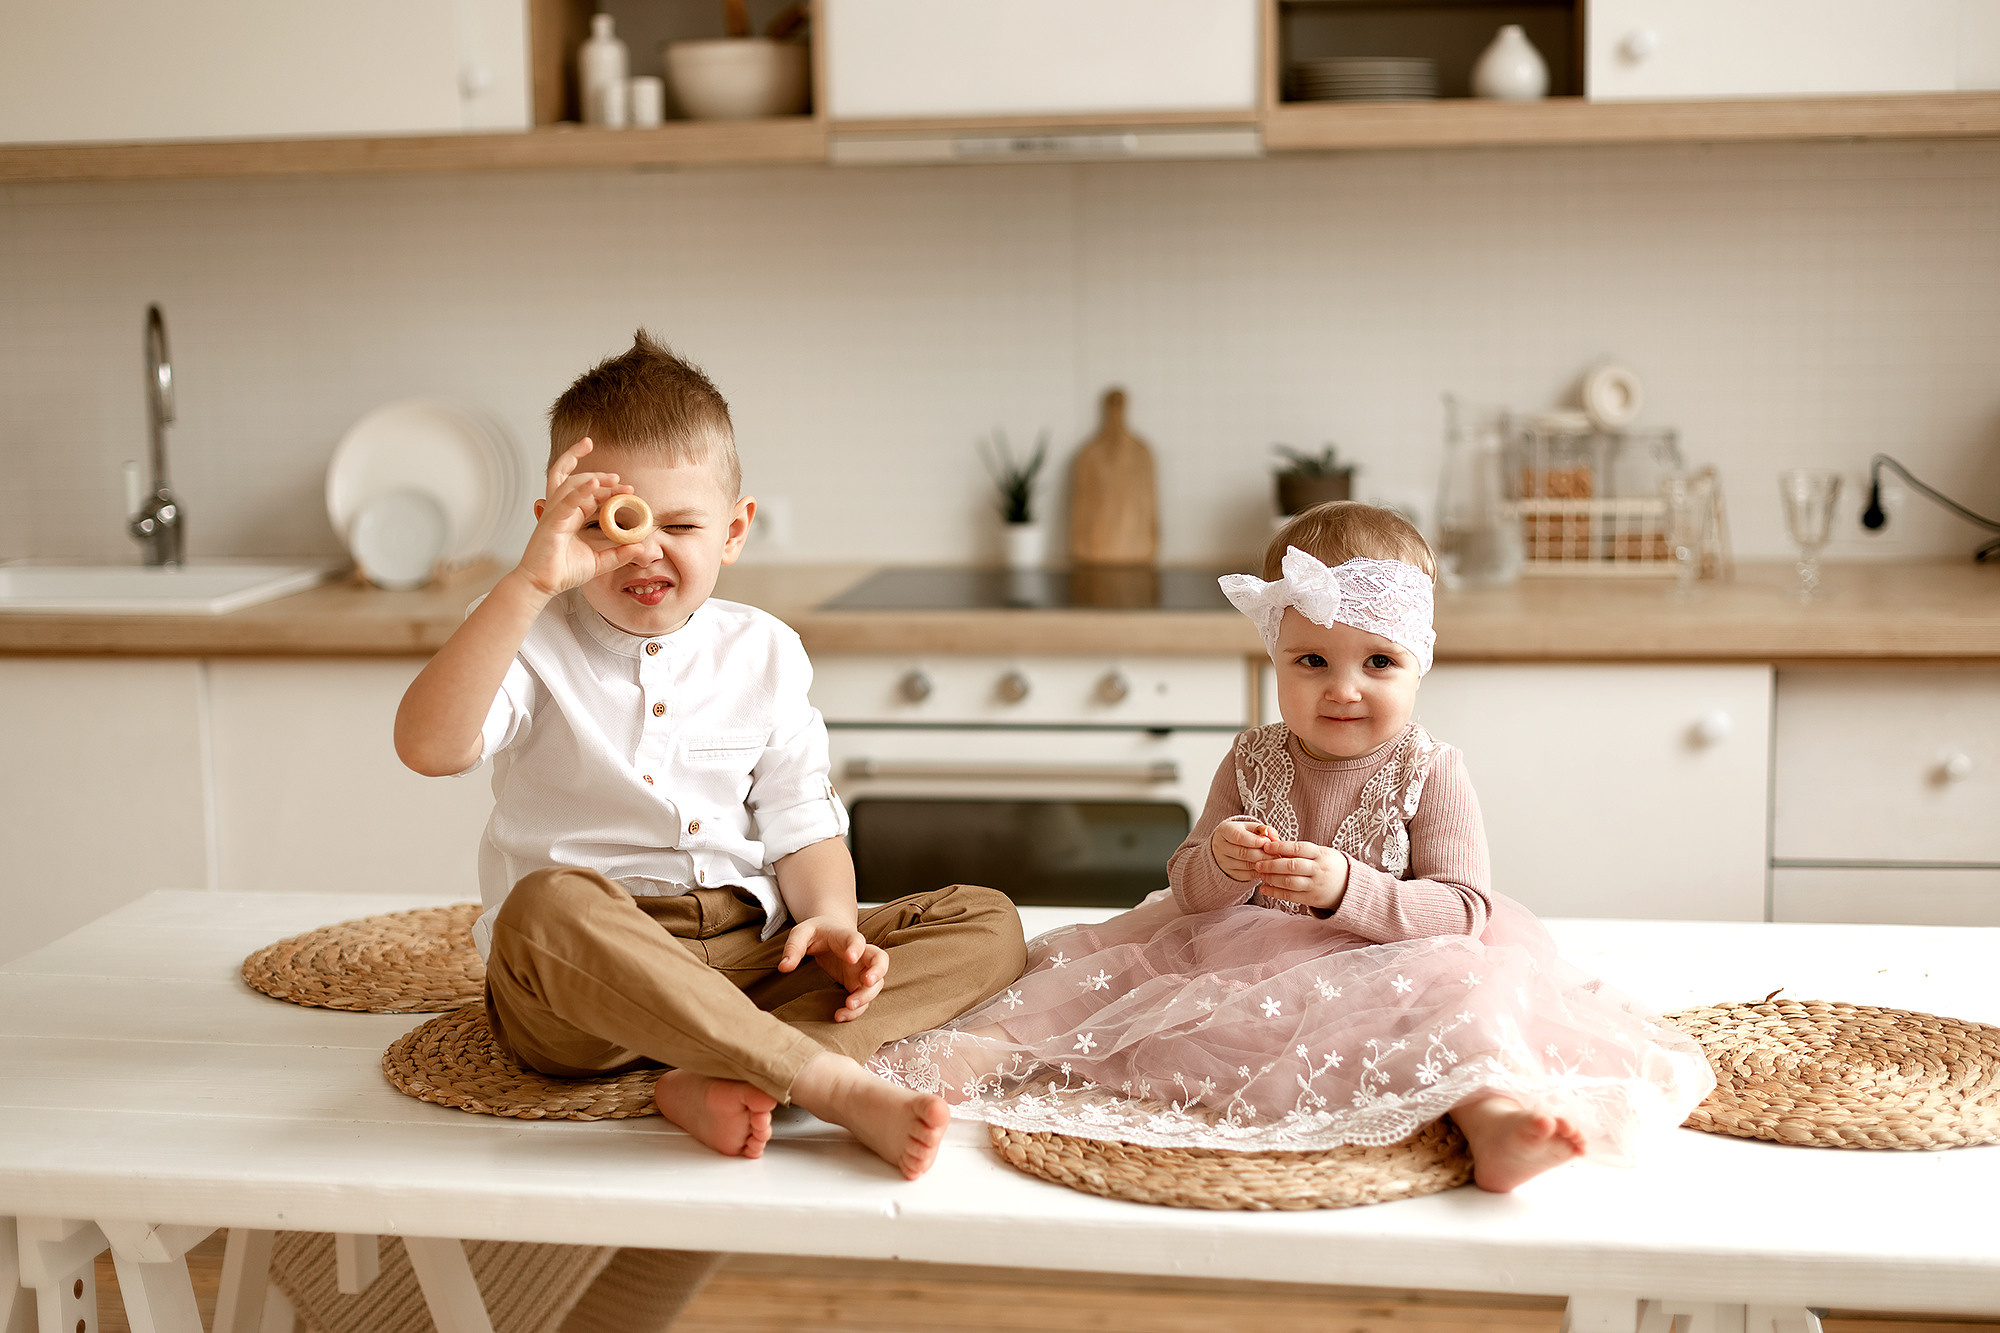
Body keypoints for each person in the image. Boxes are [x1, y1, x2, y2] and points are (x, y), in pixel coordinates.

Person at [869, 502, 1714, 1192]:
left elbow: (1464, 910)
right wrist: (1221, 862)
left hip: (1391, 960)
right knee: (1094, 981)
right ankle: (950, 1066)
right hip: (1232, 959)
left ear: (1419, 664)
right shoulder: (1252, 757)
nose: (1343, 688)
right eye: (1313, 659)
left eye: (1377, 661)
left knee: (1464, 1013)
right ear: (1275, 657)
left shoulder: (1431, 770)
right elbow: (1188, 891)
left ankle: (1493, 1123)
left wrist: (1349, 885)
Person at [395, 330, 1026, 1181]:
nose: (647, 549)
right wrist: (528, 583)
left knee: (986, 921)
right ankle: (821, 1076)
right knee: (542, 908)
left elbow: (802, 822)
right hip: (587, 974)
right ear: (555, 524)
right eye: (613, 524)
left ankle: (722, 1068)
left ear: (733, 531)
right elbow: (429, 748)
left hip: (744, 953)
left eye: (683, 524)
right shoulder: (528, 630)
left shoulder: (764, 650)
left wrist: (832, 922)